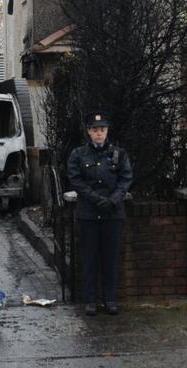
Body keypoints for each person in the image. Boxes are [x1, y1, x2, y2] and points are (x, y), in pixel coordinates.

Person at [67, 111, 133, 316]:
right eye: (95, 130)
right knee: (89, 258)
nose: (99, 133)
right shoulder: (78, 154)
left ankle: (110, 299)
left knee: (110, 258)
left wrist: (113, 200)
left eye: (102, 130)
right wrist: (97, 199)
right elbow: (76, 180)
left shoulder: (119, 154)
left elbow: (126, 179)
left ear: (107, 131)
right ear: (88, 131)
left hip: (112, 214)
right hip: (88, 213)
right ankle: (90, 300)